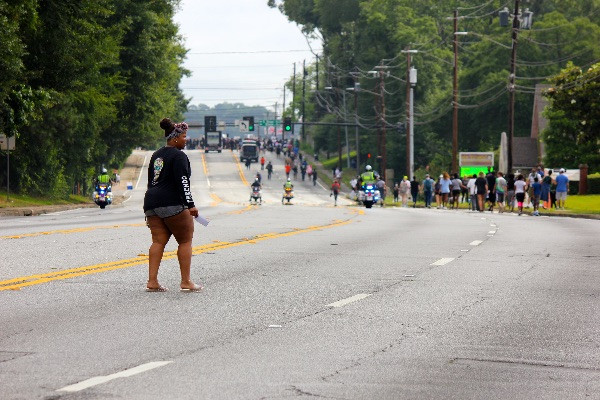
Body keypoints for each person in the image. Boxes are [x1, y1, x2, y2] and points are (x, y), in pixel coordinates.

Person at [143, 118, 201, 292]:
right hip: (172, 203)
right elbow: (183, 182)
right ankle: (186, 281)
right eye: (184, 136)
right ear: (174, 138)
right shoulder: (179, 156)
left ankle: (152, 282)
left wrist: (149, 209)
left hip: (151, 202)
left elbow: (151, 181)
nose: (185, 140)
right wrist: (190, 204)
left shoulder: (156, 155)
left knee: (158, 241)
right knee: (185, 240)